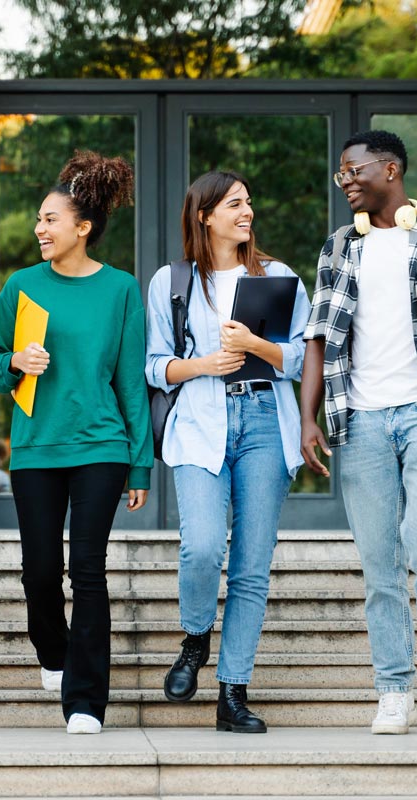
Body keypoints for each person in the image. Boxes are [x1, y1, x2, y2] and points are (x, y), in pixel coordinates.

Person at [301, 130, 417, 737]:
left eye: (355, 170)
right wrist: (309, 416)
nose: (347, 180)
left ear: (392, 169)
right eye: (340, 174)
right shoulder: (339, 249)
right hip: (361, 420)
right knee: (380, 563)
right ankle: (392, 690)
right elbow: (320, 338)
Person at [0, 150, 153, 735]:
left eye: (50, 219)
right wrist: (16, 361)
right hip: (36, 448)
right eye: (38, 219)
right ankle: (53, 654)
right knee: (39, 571)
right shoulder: (21, 286)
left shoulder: (121, 289)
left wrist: (140, 466)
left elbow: (131, 382)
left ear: (83, 228)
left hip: (101, 447)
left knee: (87, 569)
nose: (39, 228)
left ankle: (85, 702)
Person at [145, 170, 310, 733]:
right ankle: (195, 638)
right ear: (204, 215)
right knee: (202, 546)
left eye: (249, 202)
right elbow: (155, 366)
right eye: (235, 203)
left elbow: (306, 362)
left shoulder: (281, 277)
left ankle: (232, 692)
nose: (248, 212)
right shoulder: (172, 281)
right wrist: (203, 364)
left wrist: (254, 345)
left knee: (250, 566)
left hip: (265, 419)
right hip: (199, 419)